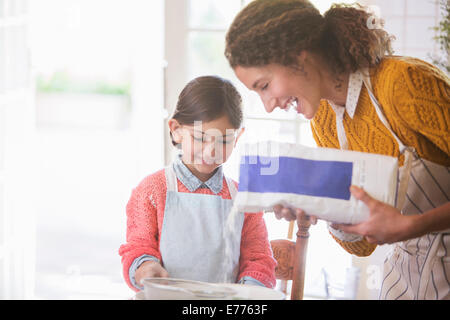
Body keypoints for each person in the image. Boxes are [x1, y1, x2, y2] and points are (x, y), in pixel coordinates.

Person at [225, 0, 450, 299]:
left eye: (264, 85)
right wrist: (323, 209)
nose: (268, 106)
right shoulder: (325, 119)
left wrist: (412, 225)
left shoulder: (403, 84)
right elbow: (363, 244)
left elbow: (404, 226)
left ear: (298, 57)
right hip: (407, 278)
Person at [118, 75, 276, 292]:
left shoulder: (244, 199)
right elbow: (138, 247)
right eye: (200, 138)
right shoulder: (152, 190)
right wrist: (145, 267)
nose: (211, 151)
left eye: (224, 140)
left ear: (238, 138)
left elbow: (259, 260)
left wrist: (248, 292)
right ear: (176, 129)